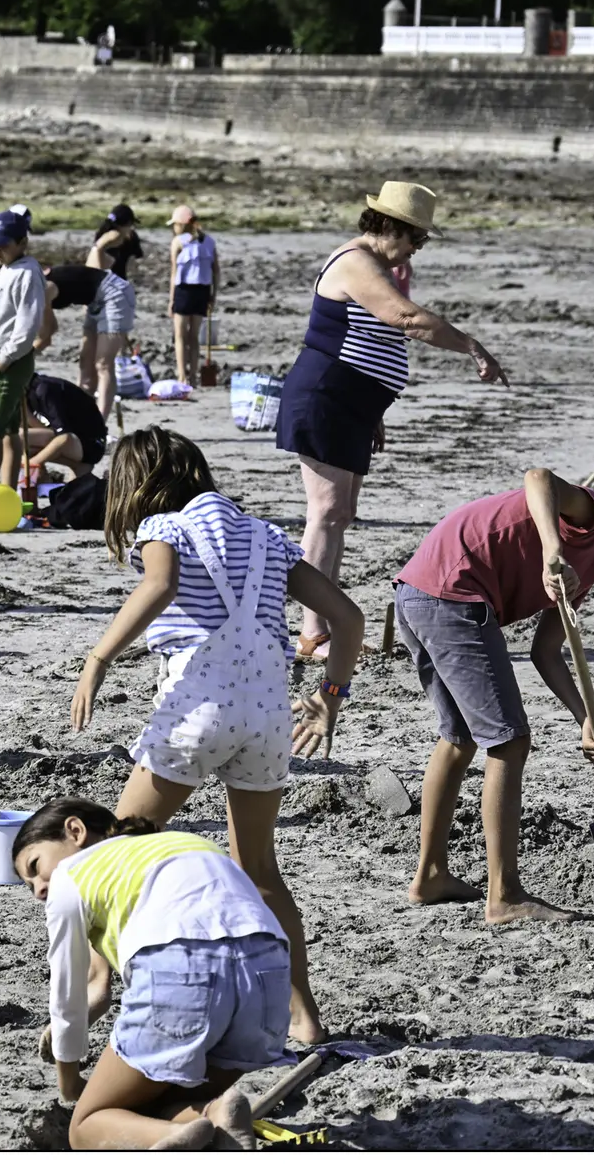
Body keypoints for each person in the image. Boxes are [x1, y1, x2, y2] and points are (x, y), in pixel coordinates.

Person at [70, 426, 362, 1044]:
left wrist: (98, 659)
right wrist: (329, 700)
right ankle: (304, 1016)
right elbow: (349, 618)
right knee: (258, 868)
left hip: (197, 711)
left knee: (114, 852)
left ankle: (100, 979)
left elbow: (160, 586)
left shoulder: (164, 527)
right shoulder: (268, 538)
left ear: (142, 487)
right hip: (269, 715)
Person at [392, 468, 594, 924]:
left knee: (459, 739)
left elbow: (547, 652)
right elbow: (538, 478)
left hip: (422, 591)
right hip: (454, 593)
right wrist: (553, 551)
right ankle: (505, 896)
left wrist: (585, 719)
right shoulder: (590, 515)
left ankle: (431, 875)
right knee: (510, 741)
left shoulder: (591, 567)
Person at [276, 182, 508, 661]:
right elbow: (403, 318)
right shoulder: (356, 261)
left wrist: (373, 409)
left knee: (339, 516)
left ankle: (321, 627)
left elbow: (376, 340)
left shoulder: (382, 265)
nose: (419, 247)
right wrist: (470, 345)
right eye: (416, 237)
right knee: (325, 514)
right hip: (326, 396)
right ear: (389, 226)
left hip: (352, 402)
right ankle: (313, 632)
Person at [12, 797, 289, 1151]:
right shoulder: (181, 843)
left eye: (35, 867)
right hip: (269, 977)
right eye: (29, 885)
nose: (38, 889)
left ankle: (170, 1138)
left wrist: (70, 1085)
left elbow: (67, 996)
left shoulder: (71, 874)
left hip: (183, 971)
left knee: (85, 1128)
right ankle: (217, 1112)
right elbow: (97, 986)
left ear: (75, 830)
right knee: (150, 1107)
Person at [0, 210, 45, 497]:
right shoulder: (6, 269)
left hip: (6, 360)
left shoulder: (27, 271)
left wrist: (6, 357)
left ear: (22, 242)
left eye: (3, 243)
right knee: (7, 431)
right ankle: (5, 491)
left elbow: (29, 323)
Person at [44, 261, 135, 421]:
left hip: (114, 293)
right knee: (85, 363)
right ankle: (83, 418)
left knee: (103, 363)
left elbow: (49, 330)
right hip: (93, 300)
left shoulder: (45, 288)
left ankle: (100, 422)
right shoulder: (32, 290)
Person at [166, 205, 218, 387]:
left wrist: (171, 300)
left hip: (184, 291)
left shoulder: (178, 242)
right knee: (194, 337)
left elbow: (174, 273)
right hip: (202, 292)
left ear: (181, 225)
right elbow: (216, 271)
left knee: (180, 336)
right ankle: (194, 377)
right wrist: (213, 295)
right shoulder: (209, 242)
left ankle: (182, 376)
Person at [25, 370, 108, 480]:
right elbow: (42, 430)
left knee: (20, 438)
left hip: (91, 444)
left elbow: (65, 438)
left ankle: (33, 470)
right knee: (18, 440)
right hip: (76, 442)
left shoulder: (44, 389)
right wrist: (26, 414)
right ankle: (44, 478)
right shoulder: (26, 393)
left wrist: (31, 463)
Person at [87, 204, 142, 280]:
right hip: (112, 284)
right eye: (131, 224)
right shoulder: (115, 237)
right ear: (127, 224)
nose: (132, 228)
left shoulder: (102, 235)